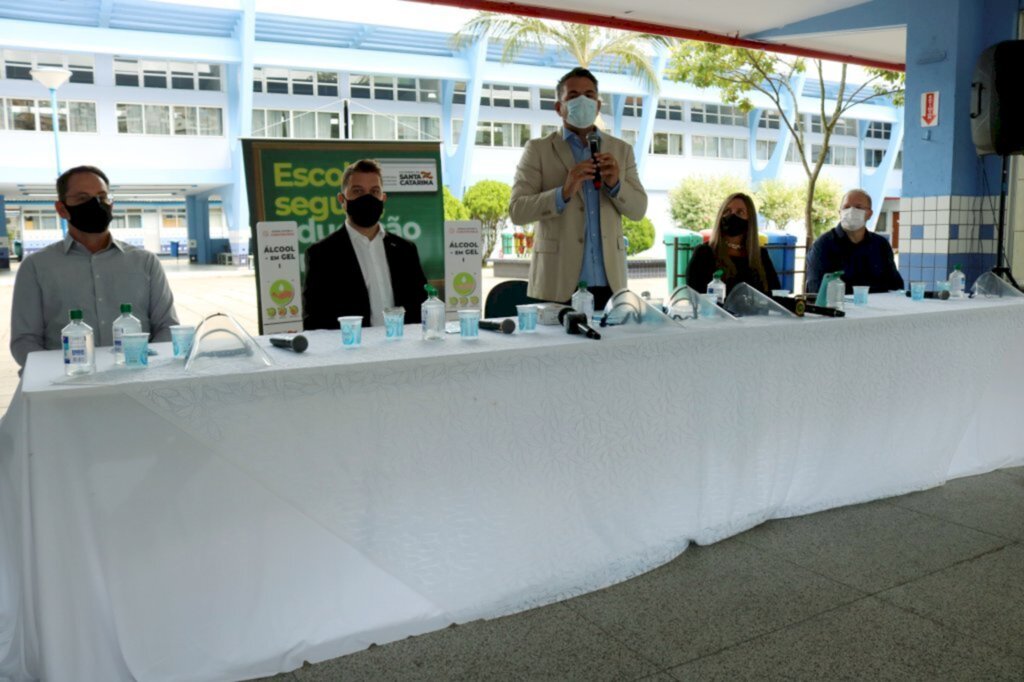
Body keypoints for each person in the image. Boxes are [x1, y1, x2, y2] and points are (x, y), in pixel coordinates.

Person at [10, 165, 178, 368]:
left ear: (111, 204)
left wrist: (145, 366)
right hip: (66, 384)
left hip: (138, 377)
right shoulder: (36, 266)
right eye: (82, 198)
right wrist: (59, 375)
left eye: (101, 197)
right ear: (62, 209)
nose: (95, 204)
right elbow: (25, 341)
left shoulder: (145, 262)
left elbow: (167, 328)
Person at [510, 67, 648, 310]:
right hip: (557, 282)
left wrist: (616, 185)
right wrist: (563, 192)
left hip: (610, 284)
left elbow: (638, 210)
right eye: (573, 97)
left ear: (597, 105)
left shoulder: (621, 150)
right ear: (558, 108)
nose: (582, 102)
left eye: (589, 95)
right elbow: (518, 211)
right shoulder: (538, 150)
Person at [302, 159, 427, 330]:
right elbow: (315, 320)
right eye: (358, 191)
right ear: (342, 200)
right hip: (352, 352)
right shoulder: (321, 254)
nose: (367, 198)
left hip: (403, 348)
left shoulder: (406, 251)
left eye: (374, 191)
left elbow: (421, 307)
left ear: (383, 198)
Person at [805, 188, 903, 294]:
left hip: (879, 308)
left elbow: (895, 285)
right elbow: (815, 290)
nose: (851, 211)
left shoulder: (881, 245)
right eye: (846, 207)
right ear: (840, 212)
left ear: (869, 214)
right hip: (839, 308)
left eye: (858, 207)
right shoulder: (822, 246)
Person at [686, 193, 781, 296]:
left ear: (750, 219)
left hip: (756, 312)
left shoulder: (761, 255)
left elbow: (775, 293)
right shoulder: (704, 253)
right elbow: (694, 296)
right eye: (727, 211)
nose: (732, 216)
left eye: (740, 212)